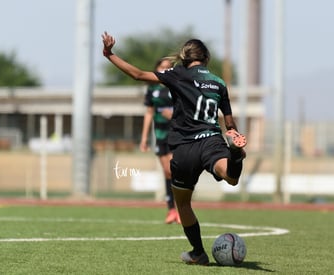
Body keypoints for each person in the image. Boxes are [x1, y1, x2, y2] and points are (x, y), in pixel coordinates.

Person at [101, 31, 247, 266]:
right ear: (206, 58)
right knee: (230, 177)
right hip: (212, 140)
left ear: (184, 57)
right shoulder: (219, 83)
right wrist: (234, 136)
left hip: (184, 147)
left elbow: (137, 74)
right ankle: (235, 157)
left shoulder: (177, 74)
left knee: (183, 203)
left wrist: (109, 54)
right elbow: (229, 125)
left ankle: (198, 252)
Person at [140, 57, 180, 224]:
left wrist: (174, 116)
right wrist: (144, 138)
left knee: (172, 170)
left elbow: (187, 109)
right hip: (160, 135)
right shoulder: (152, 90)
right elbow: (149, 113)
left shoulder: (177, 87)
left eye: (168, 67)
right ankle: (171, 209)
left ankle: (180, 208)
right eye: (162, 67)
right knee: (167, 172)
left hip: (175, 135)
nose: (164, 70)